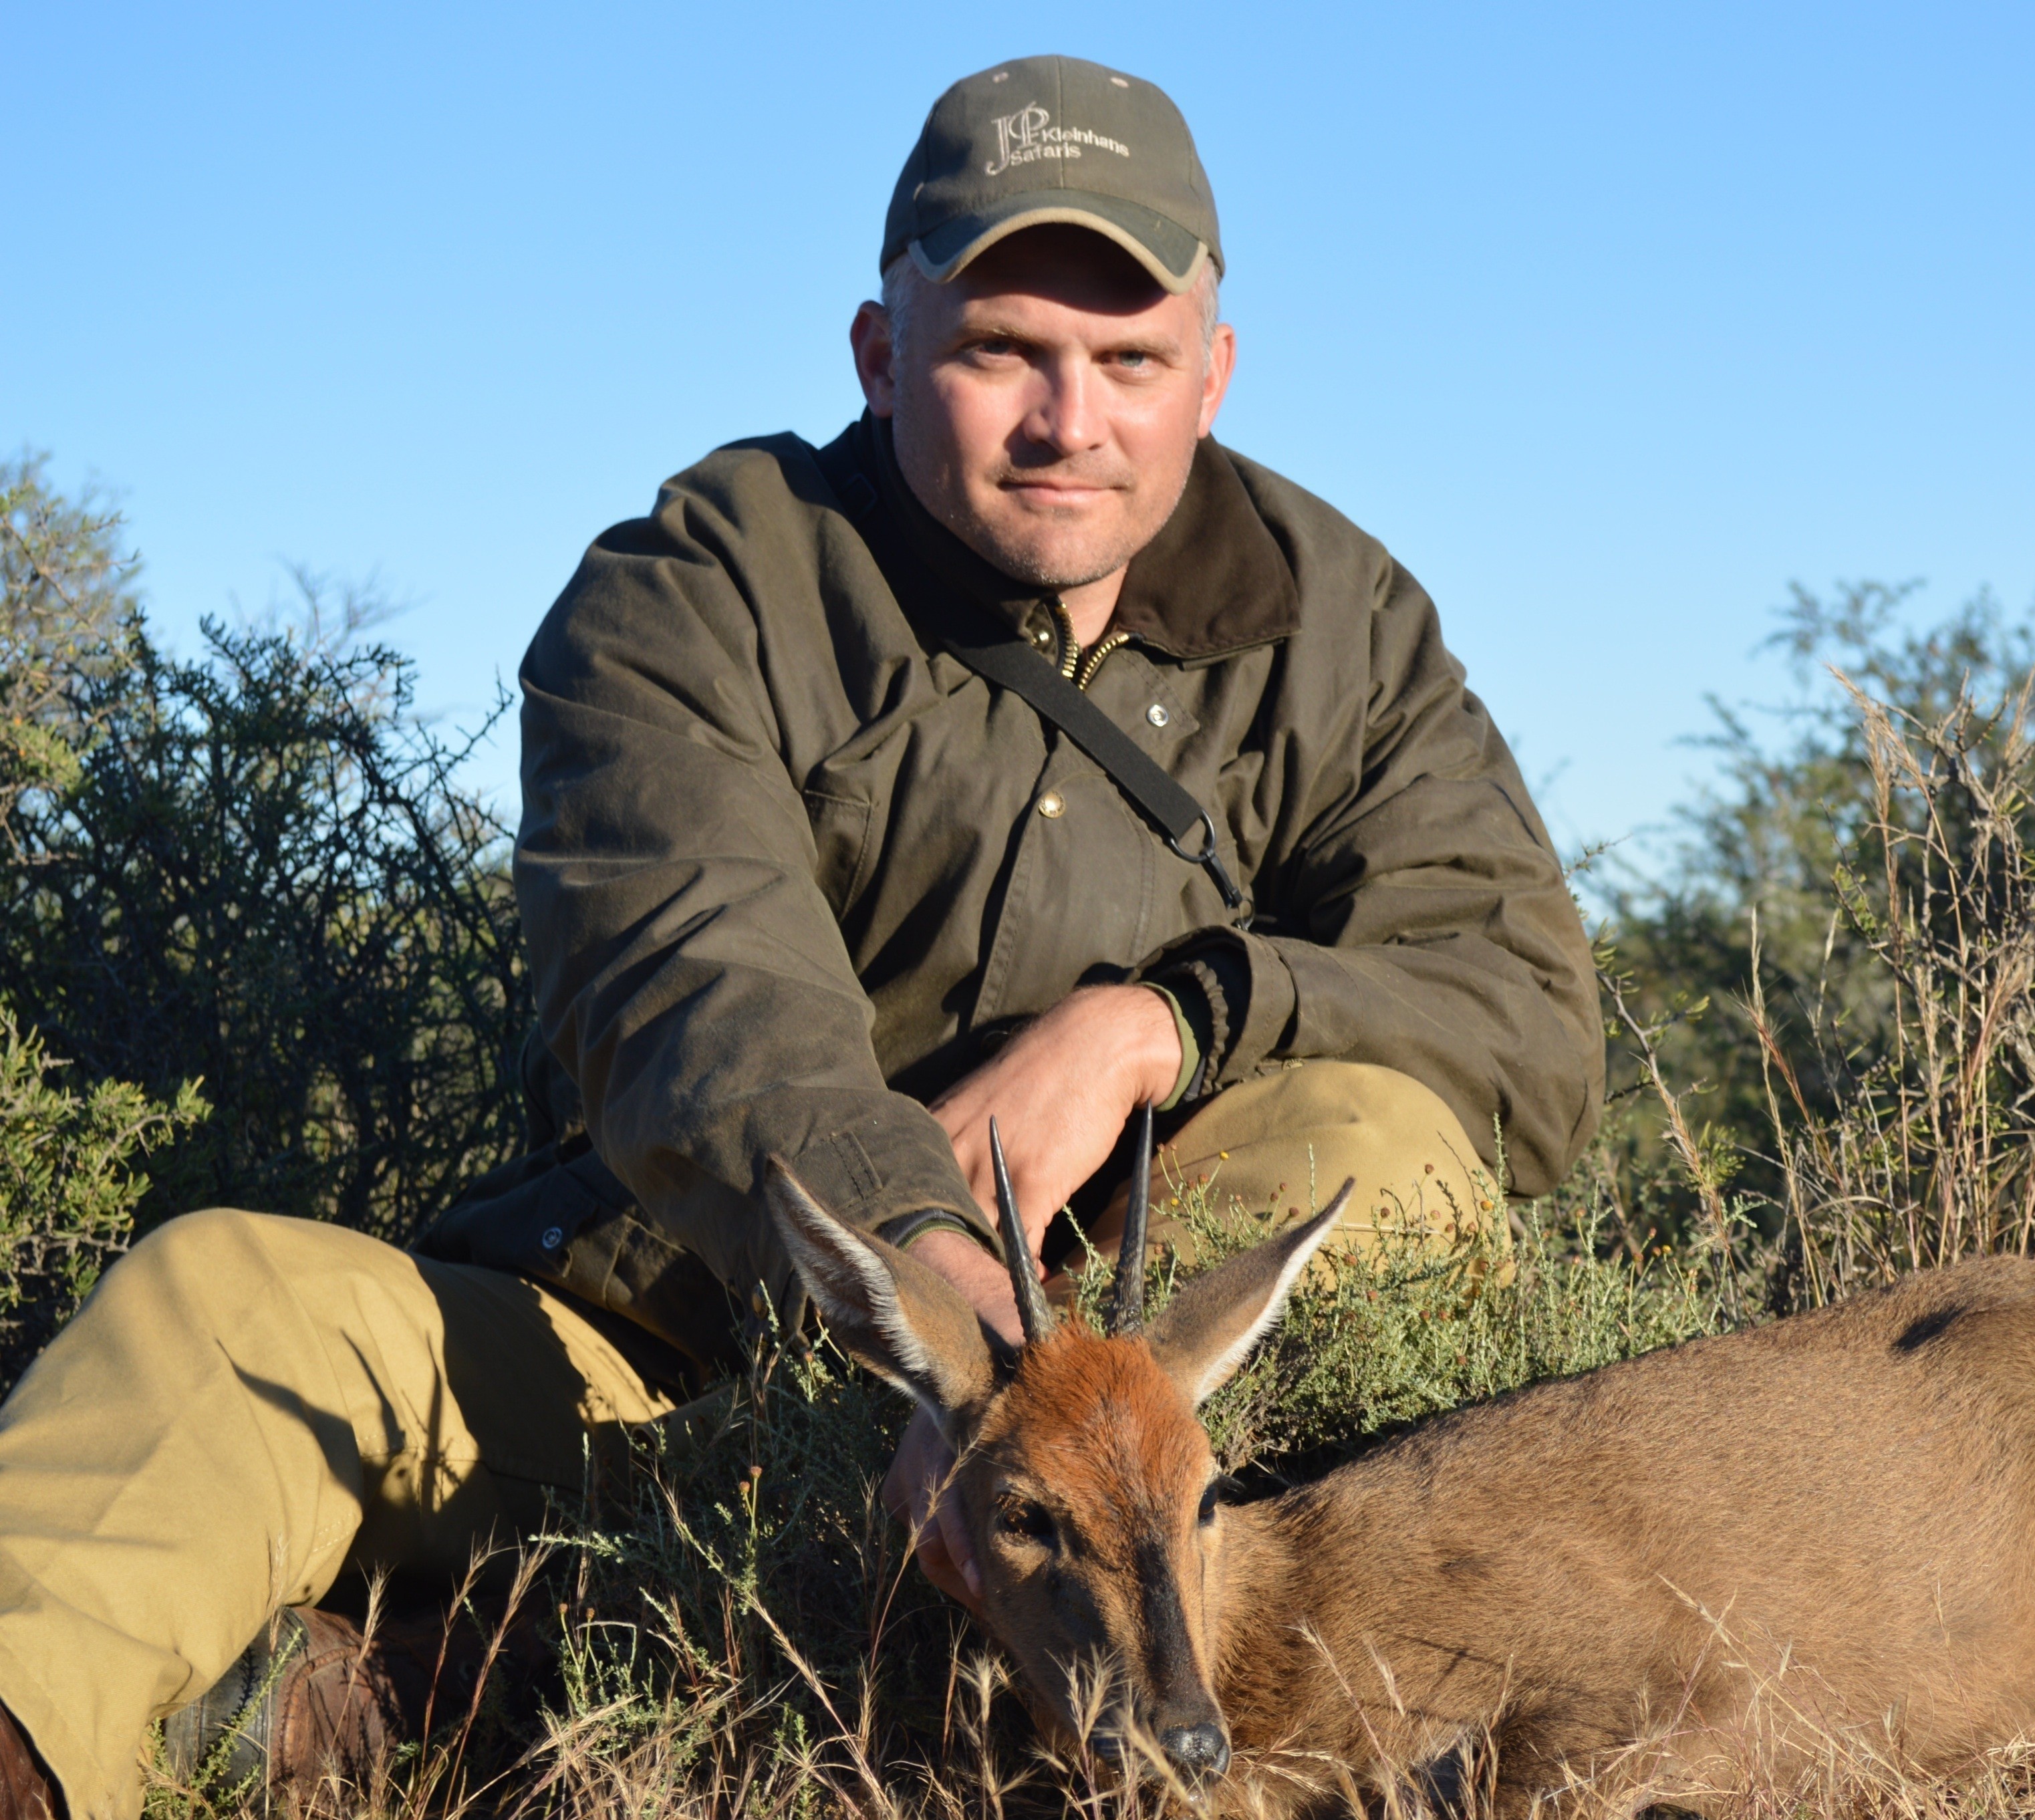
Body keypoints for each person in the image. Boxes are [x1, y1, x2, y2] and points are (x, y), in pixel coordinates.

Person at [0, 53, 1602, 1820]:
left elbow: (1522, 1014)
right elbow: (699, 994)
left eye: (1132, 362)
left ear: (1210, 376)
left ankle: (524, 1679)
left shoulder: (1345, 623)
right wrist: (941, 1297)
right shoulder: (694, 587)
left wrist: (1162, 1024)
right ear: (879, 350)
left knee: (1385, 1149)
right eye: (1005, 348)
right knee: (223, 1309)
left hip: (1126, 1431)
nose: (1073, 418)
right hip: (669, 1357)